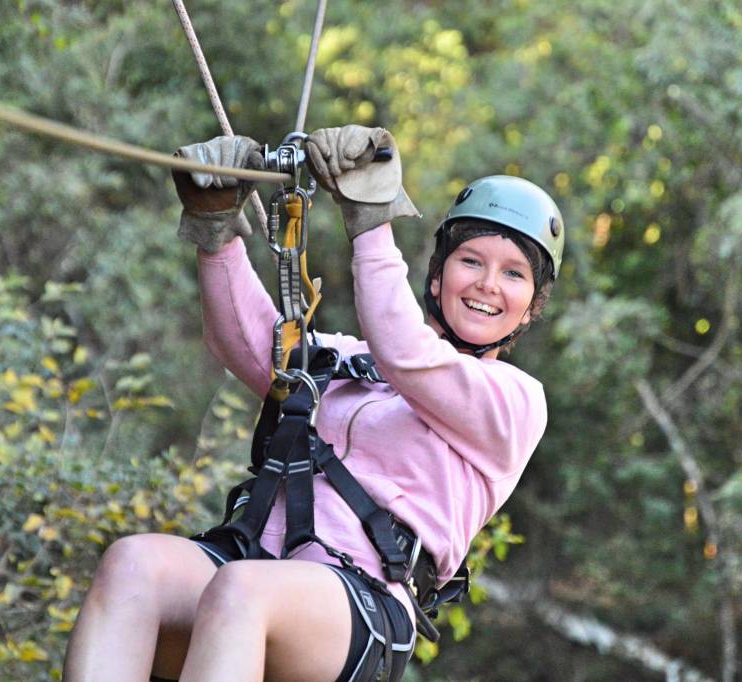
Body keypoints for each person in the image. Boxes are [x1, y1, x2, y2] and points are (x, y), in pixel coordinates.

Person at [63, 126, 564, 682]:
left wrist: (371, 224)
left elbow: (407, 352)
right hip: (255, 567)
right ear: (440, 272)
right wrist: (217, 233)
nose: (489, 283)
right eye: (472, 261)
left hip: (360, 601)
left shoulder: (514, 403)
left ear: (530, 306)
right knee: (132, 565)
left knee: (240, 591)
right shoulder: (353, 360)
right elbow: (252, 346)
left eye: (513, 273)